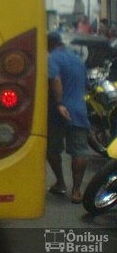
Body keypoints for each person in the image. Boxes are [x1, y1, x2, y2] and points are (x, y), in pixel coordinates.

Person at [46, 31, 90, 204]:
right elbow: (85, 85)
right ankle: (77, 190)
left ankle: (61, 182)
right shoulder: (78, 61)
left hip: (58, 112)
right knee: (79, 151)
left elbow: (55, 80)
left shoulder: (51, 59)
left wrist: (58, 103)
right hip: (79, 111)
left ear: (49, 44)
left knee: (52, 149)